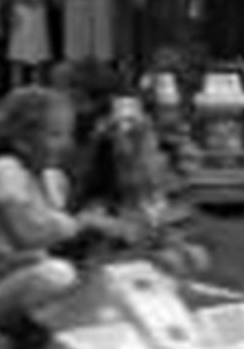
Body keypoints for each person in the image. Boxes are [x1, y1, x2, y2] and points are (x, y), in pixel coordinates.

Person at [0, 86, 126, 328]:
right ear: (22, 141)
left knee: (108, 279)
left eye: (67, 135)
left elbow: (64, 236)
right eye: (55, 135)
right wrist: (81, 223)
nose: (66, 144)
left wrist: (106, 228)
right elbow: (25, 236)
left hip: (32, 286)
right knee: (56, 274)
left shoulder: (53, 178)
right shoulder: (5, 170)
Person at [79, 105, 209, 278]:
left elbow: (162, 234)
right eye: (152, 153)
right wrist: (116, 227)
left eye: (157, 152)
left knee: (197, 256)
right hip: (116, 281)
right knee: (170, 261)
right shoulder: (106, 205)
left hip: (149, 279)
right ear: (124, 171)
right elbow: (88, 227)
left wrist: (180, 246)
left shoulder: (154, 202)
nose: (161, 159)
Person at [9, 0, 54, 87]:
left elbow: (37, 0)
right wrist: (13, 12)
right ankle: (16, 92)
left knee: (37, 60)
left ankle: (38, 91)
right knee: (17, 59)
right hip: (20, 23)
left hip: (36, 24)